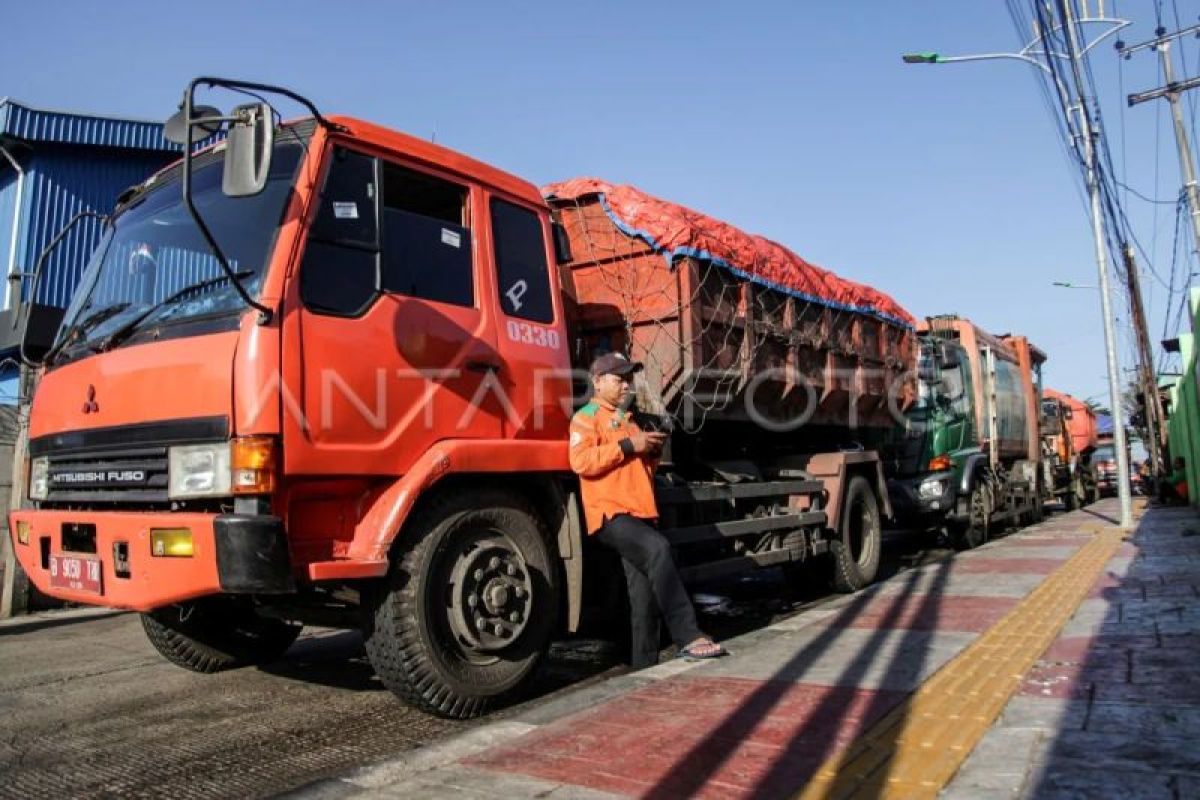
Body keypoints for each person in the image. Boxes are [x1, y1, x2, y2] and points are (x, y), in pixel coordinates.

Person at [568, 352, 726, 667]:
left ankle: (643, 666)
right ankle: (688, 635)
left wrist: (649, 451)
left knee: (643, 596)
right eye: (619, 379)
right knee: (659, 550)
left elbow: (636, 471)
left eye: (629, 378)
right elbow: (580, 461)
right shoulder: (585, 416)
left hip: (639, 513)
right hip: (610, 514)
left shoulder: (629, 420)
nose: (627, 385)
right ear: (598, 383)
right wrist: (629, 446)